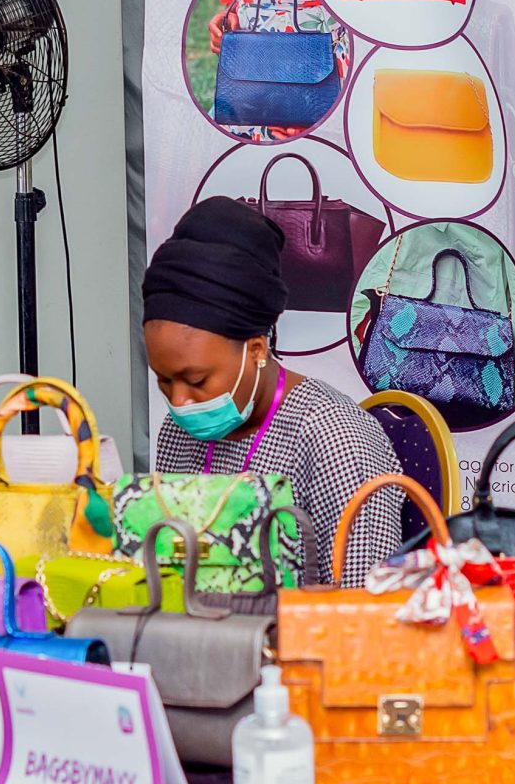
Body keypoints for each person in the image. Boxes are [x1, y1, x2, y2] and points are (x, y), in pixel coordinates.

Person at [142, 197, 401, 586]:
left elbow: (364, 600)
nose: (179, 402)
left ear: (256, 350)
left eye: (196, 381)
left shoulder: (335, 437)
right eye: (164, 380)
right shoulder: (179, 433)